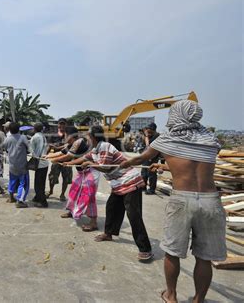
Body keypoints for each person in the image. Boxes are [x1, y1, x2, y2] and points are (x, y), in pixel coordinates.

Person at [119, 100, 225, 303]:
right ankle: (198, 300)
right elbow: (196, 162)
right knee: (204, 257)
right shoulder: (212, 140)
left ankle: (171, 295)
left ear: (176, 116)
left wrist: (124, 163)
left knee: (172, 252)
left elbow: (142, 158)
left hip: (182, 200)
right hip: (211, 201)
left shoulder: (166, 140)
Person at [67, 125, 153, 261]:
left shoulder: (105, 146)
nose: (87, 139)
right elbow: (83, 158)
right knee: (111, 208)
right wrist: (67, 163)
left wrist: (90, 164)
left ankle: (145, 249)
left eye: (88, 136)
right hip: (119, 184)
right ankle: (108, 233)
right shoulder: (95, 149)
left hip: (130, 181)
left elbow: (106, 168)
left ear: (93, 137)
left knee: (133, 216)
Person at [54, 127, 100, 231]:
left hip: (91, 172)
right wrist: (50, 157)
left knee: (89, 196)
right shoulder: (71, 144)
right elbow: (65, 154)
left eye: (65, 134)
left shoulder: (78, 142)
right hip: (82, 172)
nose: (64, 136)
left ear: (69, 135)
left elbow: (68, 156)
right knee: (74, 190)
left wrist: (57, 160)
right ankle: (71, 211)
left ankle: (93, 222)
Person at [3, 122, 30, 208]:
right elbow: (29, 148)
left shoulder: (8, 139)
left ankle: (11, 197)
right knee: (23, 183)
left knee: (12, 181)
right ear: (19, 129)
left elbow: (4, 148)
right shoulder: (23, 137)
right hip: (22, 165)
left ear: (9, 130)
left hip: (12, 165)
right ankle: (20, 200)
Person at [46, 118, 73, 201]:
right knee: (52, 177)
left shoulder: (69, 134)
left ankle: (62, 194)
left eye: (63, 124)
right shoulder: (54, 134)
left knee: (66, 178)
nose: (61, 125)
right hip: (56, 159)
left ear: (66, 125)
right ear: (58, 125)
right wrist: (46, 155)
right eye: (60, 124)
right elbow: (49, 145)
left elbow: (71, 145)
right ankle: (50, 191)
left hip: (67, 159)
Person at [30, 122, 49, 208]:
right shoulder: (43, 136)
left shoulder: (35, 137)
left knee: (38, 183)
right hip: (44, 162)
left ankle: (43, 201)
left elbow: (32, 151)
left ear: (34, 129)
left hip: (39, 162)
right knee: (41, 182)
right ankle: (37, 197)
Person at [141, 123, 160, 195]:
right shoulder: (150, 135)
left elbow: (148, 146)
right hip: (146, 156)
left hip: (152, 157)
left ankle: (152, 189)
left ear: (152, 129)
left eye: (148, 130)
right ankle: (143, 187)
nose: (147, 132)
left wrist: (146, 136)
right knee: (144, 173)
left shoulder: (157, 136)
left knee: (151, 173)